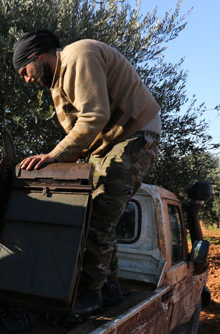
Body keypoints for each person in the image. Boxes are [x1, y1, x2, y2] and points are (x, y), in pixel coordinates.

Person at [12, 30, 160, 314]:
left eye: (25, 71)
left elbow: (94, 116)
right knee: (95, 213)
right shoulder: (57, 83)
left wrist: (52, 156)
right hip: (110, 141)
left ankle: (91, 295)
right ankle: (109, 288)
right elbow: (80, 132)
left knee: (100, 214)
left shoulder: (79, 55)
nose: (27, 79)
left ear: (39, 56)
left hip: (134, 134)